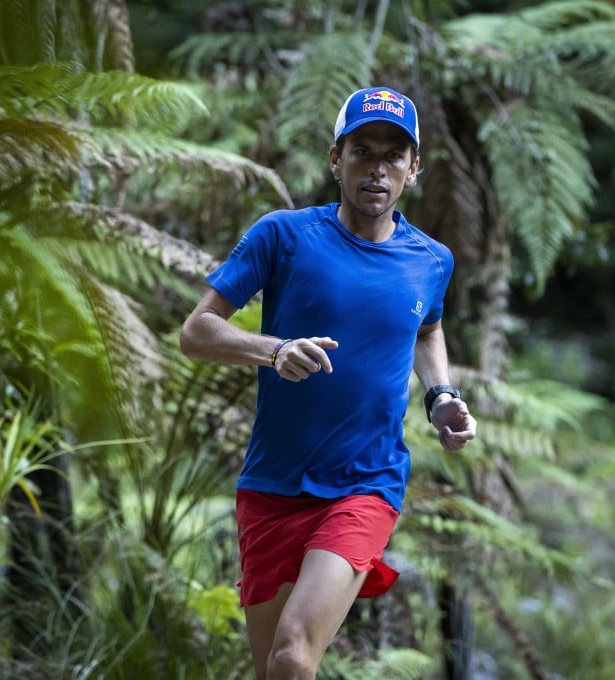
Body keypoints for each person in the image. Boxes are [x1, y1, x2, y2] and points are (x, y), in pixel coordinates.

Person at [179, 86, 477, 680]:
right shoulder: (283, 237)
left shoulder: (432, 259)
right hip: (271, 484)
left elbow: (426, 329)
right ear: (335, 160)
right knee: (274, 669)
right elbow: (196, 332)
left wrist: (440, 394)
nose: (378, 168)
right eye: (362, 151)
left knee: (294, 652)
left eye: (394, 155)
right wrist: (274, 350)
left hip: (364, 485)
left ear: (413, 170)